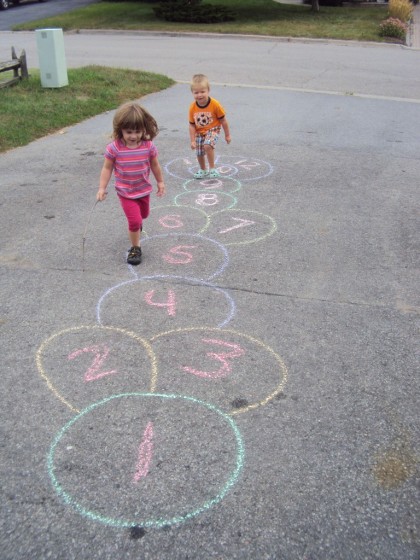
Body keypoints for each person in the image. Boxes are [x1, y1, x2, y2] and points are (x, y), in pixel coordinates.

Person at [97, 102, 165, 265]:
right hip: (125, 192)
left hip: (143, 190)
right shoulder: (114, 148)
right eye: (128, 132)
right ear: (120, 130)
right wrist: (102, 188)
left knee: (144, 215)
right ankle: (135, 248)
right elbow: (107, 168)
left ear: (144, 129)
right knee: (134, 221)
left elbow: (155, 165)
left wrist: (160, 182)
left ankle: (137, 225)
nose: (133, 136)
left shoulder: (148, 146)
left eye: (137, 131)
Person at [189, 74, 231, 179]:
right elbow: (192, 125)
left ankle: (212, 168)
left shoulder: (215, 104)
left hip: (213, 129)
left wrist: (227, 135)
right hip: (200, 131)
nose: (199, 95)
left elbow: (223, 120)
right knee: (199, 152)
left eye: (202, 92)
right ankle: (203, 169)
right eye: (196, 92)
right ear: (192, 93)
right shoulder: (192, 108)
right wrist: (193, 140)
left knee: (207, 145)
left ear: (208, 90)